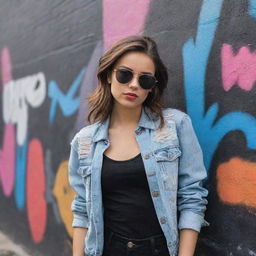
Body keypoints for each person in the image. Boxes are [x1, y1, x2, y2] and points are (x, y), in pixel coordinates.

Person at [68, 35, 209, 256]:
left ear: (152, 87)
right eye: (124, 74)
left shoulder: (175, 126)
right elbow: (82, 207)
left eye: (145, 79)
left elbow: (192, 197)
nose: (134, 84)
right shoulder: (84, 141)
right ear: (108, 76)